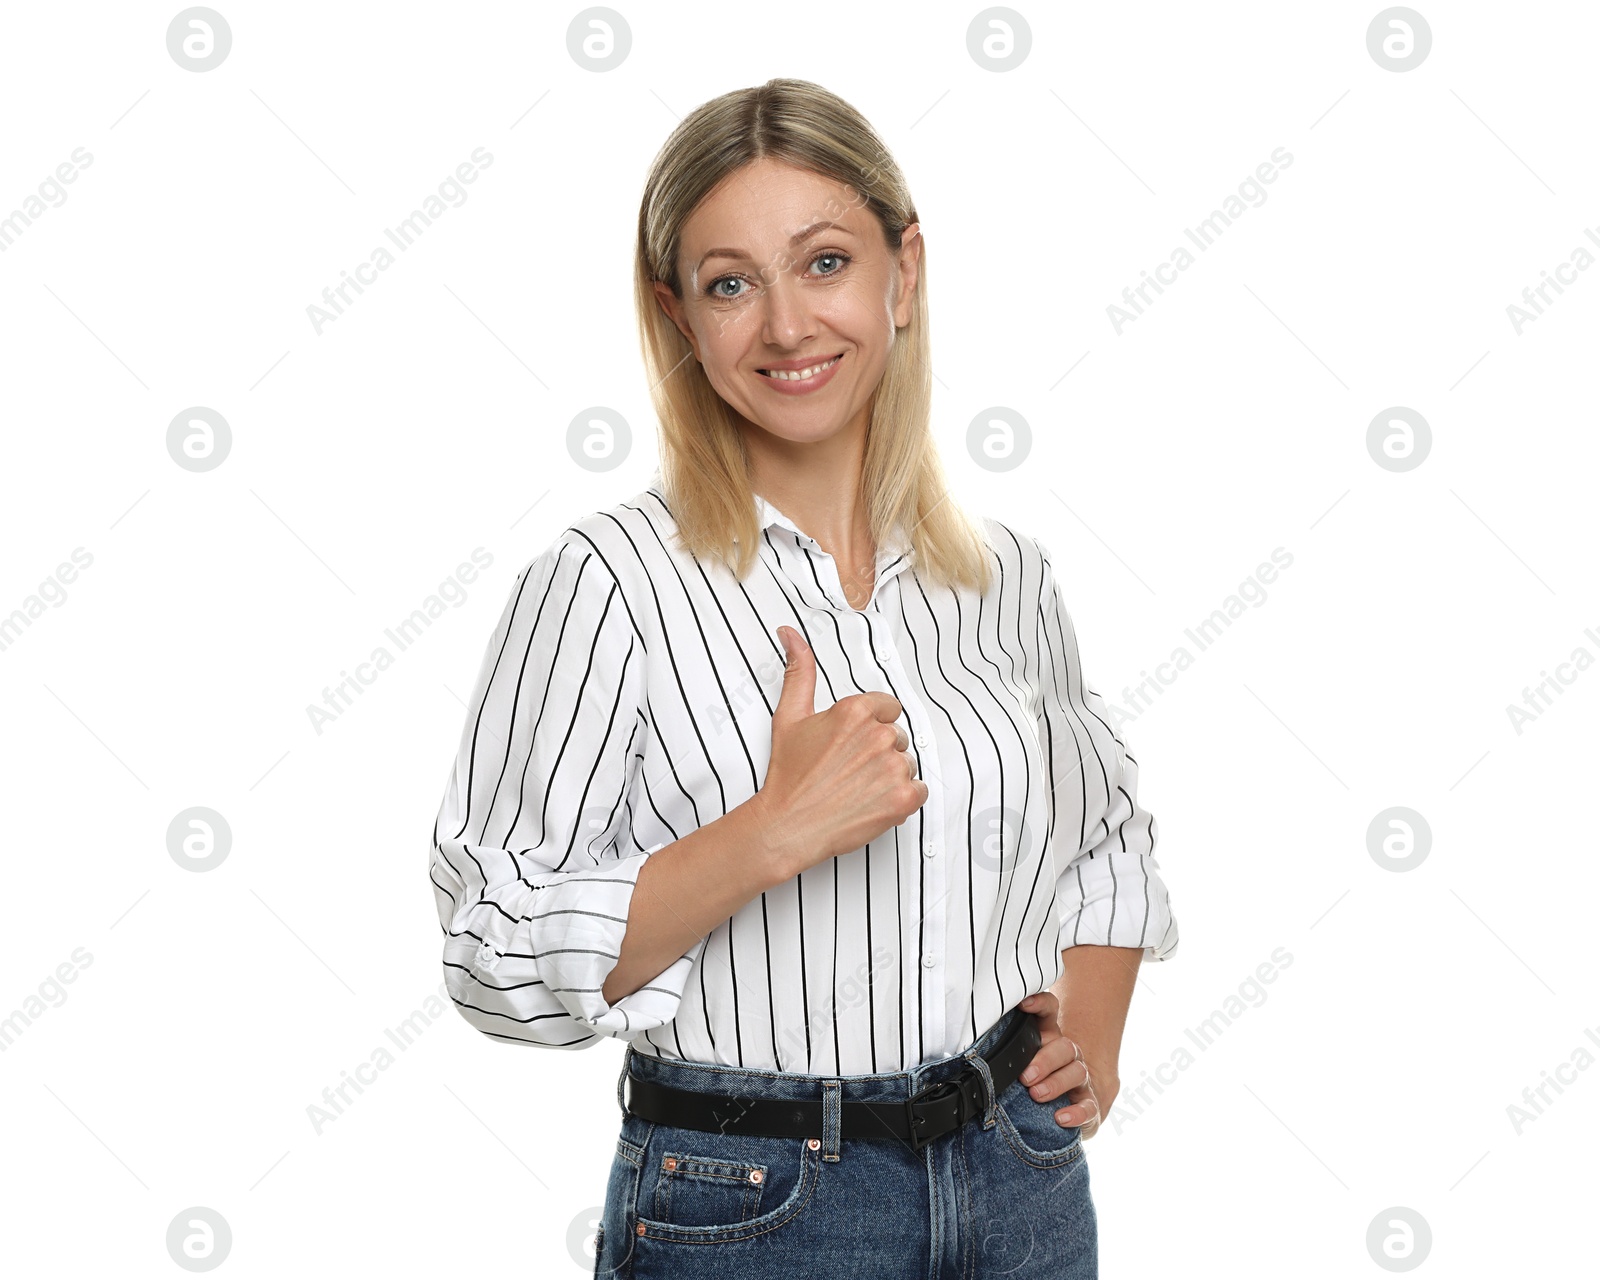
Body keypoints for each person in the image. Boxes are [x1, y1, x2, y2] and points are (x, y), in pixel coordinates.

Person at [429, 77, 1178, 1279]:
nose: (785, 326)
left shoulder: (1004, 576)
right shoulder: (605, 583)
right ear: (679, 317)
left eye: (823, 261)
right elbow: (489, 952)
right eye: (731, 283)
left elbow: (1104, 838)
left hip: (1019, 1185)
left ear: (904, 272)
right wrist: (765, 836)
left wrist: (1086, 1042)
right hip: (753, 1210)